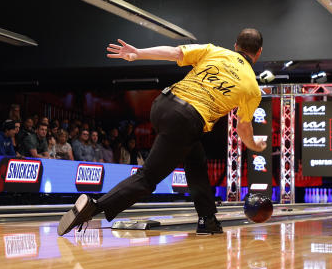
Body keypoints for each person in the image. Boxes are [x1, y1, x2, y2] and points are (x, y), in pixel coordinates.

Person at [59, 28, 266, 236]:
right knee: (148, 177)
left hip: (163, 104)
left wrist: (138, 53)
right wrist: (254, 145)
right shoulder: (252, 88)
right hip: (186, 121)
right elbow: (243, 127)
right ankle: (94, 207)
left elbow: (175, 52)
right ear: (258, 53)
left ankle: (207, 219)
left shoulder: (215, 51)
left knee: (196, 160)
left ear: (236, 46)